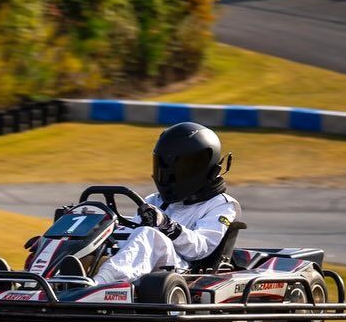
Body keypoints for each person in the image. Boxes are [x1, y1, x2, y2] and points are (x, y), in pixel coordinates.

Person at [78, 122, 241, 284]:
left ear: (202, 168)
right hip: (147, 264)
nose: (168, 175)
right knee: (97, 232)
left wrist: (167, 225)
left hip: (184, 270)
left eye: (180, 168)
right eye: (163, 166)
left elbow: (199, 249)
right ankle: (64, 275)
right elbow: (134, 237)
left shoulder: (222, 205)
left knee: (150, 235)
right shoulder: (155, 200)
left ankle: (97, 284)